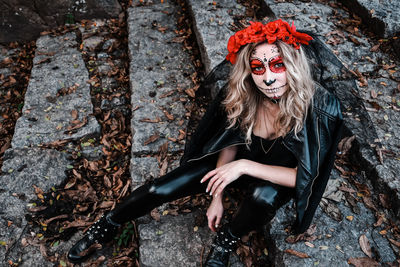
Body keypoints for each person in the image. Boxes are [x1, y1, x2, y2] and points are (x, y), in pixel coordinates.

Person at [68, 19, 343, 266]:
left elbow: (305, 178)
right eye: (257, 67)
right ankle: (107, 224)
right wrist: (218, 194)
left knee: (262, 197)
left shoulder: (320, 108)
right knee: (158, 188)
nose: (268, 77)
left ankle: (228, 237)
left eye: (277, 65)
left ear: (293, 64)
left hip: (276, 177)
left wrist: (244, 167)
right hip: (233, 162)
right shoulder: (245, 92)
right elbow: (229, 139)